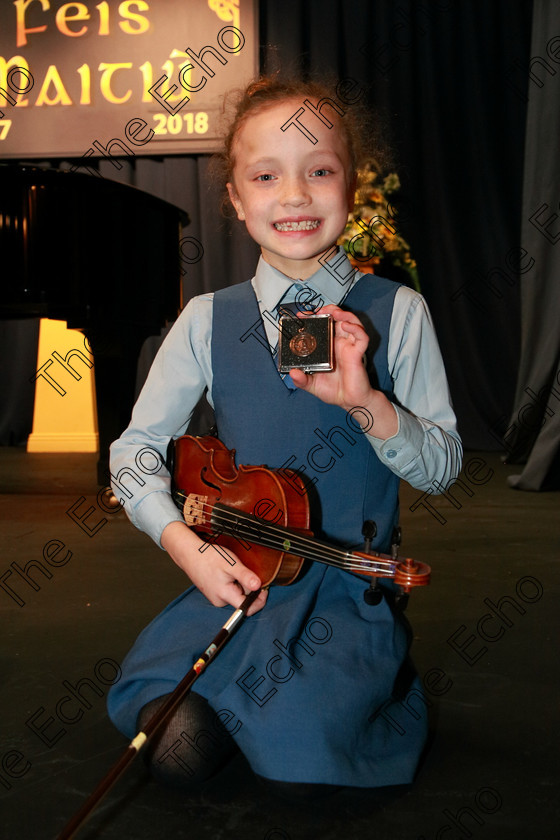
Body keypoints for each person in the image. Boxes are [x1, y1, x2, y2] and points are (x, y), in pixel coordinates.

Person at [107, 76, 462, 798]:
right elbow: (134, 450)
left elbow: (442, 468)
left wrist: (366, 402)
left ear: (351, 185)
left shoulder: (401, 311)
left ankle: (385, 676)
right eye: (266, 176)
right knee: (173, 747)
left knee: (301, 772)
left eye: (319, 170)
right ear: (236, 199)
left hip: (343, 595)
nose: (294, 195)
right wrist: (189, 548)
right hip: (239, 579)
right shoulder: (207, 318)